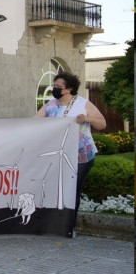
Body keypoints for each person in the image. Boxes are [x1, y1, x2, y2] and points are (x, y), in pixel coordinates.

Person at [34, 72, 105, 238]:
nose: (56, 89)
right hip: (58, 155)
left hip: (81, 156)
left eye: (59, 87)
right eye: (55, 86)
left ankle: (69, 226)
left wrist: (87, 118)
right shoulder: (51, 105)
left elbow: (102, 123)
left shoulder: (83, 103)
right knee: (55, 190)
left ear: (70, 89)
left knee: (73, 190)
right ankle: (53, 224)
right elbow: (34, 121)